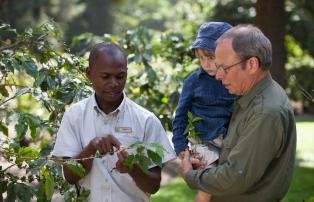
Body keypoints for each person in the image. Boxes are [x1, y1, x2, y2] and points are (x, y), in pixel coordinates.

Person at [179, 24, 297, 202]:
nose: (218, 76)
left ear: (251, 64)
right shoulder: (248, 95)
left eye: (224, 68)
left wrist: (189, 175)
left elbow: (234, 178)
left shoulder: (265, 112)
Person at [52, 42, 176, 202]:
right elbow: (70, 177)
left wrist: (132, 168)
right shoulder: (74, 117)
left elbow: (153, 186)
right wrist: (91, 149)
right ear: (89, 74)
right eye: (105, 77)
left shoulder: (146, 120)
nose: (114, 83)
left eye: (120, 76)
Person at [172, 22, 234, 202]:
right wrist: (180, 147)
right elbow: (180, 115)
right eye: (201, 58)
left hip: (229, 139)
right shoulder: (193, 81)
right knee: (207, 185)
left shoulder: (233, 79)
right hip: (204, 139)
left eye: (211, 57)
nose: (206, 64)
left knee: (232, 180)